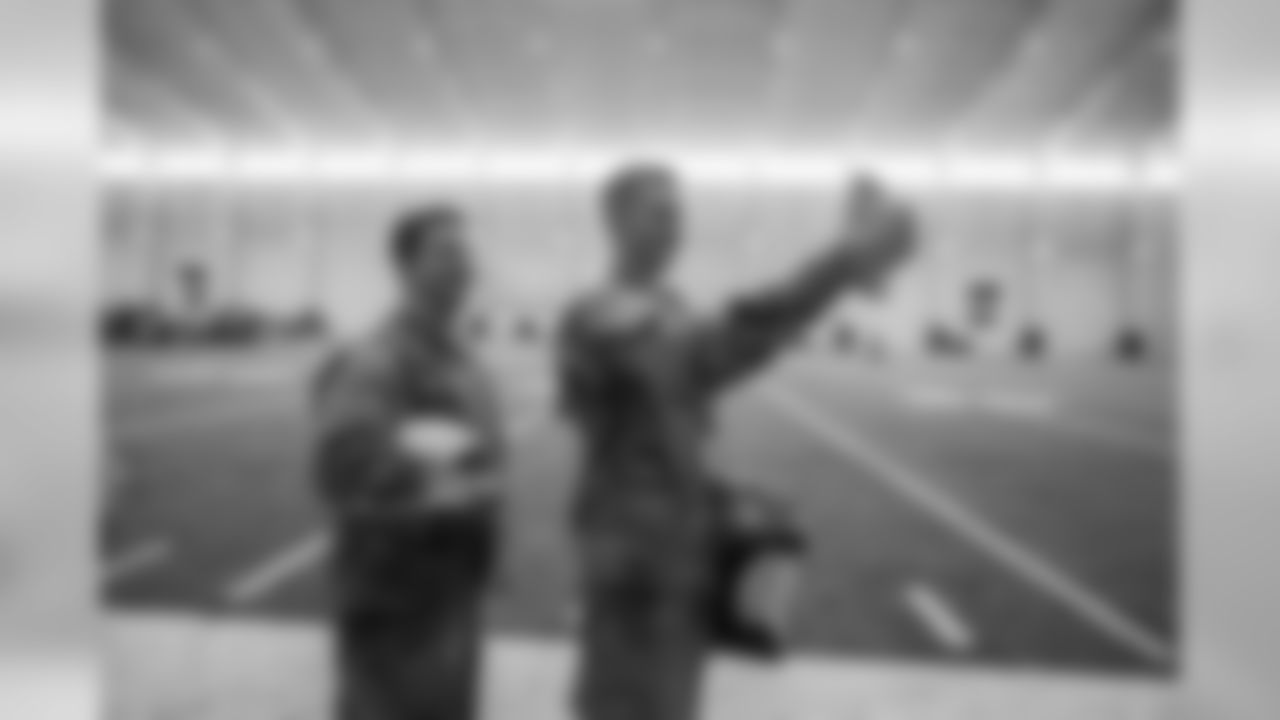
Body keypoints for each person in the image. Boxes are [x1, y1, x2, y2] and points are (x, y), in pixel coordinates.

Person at [556, 164, 918, 720]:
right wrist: (841, 261)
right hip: (633, 561)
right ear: (617, 221)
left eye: (680, 216)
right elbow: (733, 336)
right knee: (625, 705)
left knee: (669, 702)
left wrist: (717, 489)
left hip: (675, 552)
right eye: (661, 214)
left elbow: (662, 422)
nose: (676, 228)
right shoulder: (597, 314)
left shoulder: (666, 308)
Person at [312, 204, 507, 720]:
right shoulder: (375, 358)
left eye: (467, 253)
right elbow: (343, 466)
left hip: (450, 594)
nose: (464, 265)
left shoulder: (462, 361)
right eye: (446, 253)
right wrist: (445, 489)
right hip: (394, 602)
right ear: (405, 266)